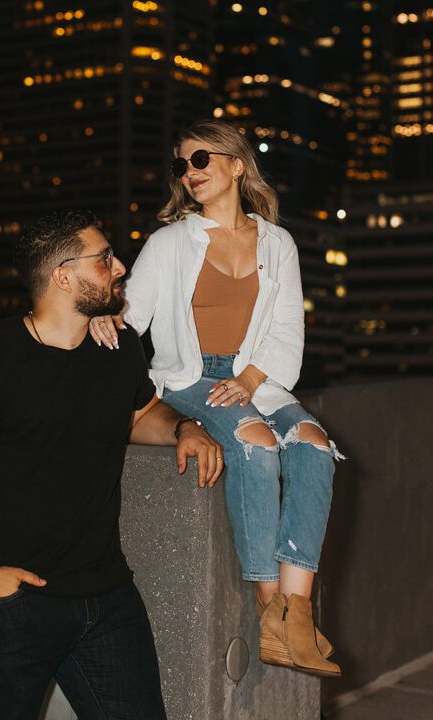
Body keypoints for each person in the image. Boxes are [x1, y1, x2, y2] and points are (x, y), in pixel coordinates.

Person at [0, 208, 224, 720]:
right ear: (62, 276)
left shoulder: (117, 345)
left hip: (106, 595)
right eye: (103, 259)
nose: (120, 266)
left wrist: (182, 428)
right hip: (13, 598)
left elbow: (139, 412)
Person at [90, 120, 344, 679]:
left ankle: (294, 614)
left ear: (236, 164)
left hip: (256, 375)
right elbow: (133, 314)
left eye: (201, 158)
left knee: (314, 446)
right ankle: (268, 610)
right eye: (181, 164)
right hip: (190, 376)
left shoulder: (278, 243)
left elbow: (286, 329)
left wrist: (251, 381)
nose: (190, 172)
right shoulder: (170, 241)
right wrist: (112, 315)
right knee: (254, 444)